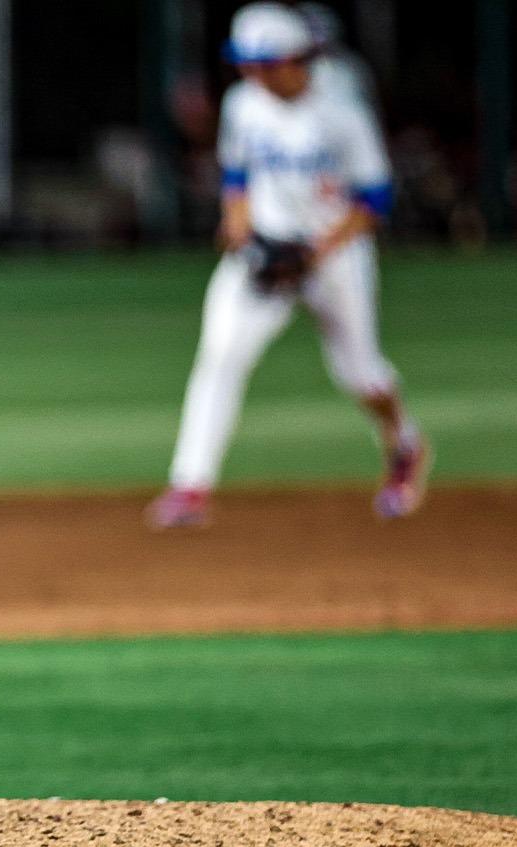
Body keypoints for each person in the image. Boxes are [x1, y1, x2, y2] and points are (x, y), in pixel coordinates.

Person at [147, 2, 429, 529]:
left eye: (265, 63)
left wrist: (314, 253)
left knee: (360, 373)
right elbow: (236, 175)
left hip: (335, 257)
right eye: (247, 64)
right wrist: (237, 223)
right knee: (220, 357)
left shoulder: (342, 112)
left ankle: (405, 444)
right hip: (264, 250)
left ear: (298, 59)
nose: (253, 73)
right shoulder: (243, 105)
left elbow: (375, 200)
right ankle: (190, 487)